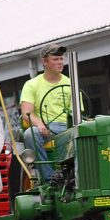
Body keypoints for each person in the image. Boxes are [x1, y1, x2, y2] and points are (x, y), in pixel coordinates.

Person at [21, 43, 72, 180]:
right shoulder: (32, 84)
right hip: (47, 128)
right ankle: (49, 177)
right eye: (55, 59)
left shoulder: (71, 83)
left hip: (67, 127)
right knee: (30, 134)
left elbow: (76, 113)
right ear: (44, 62)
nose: (60, 62)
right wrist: (40, 124)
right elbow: (27, 112)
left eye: (61, 59)